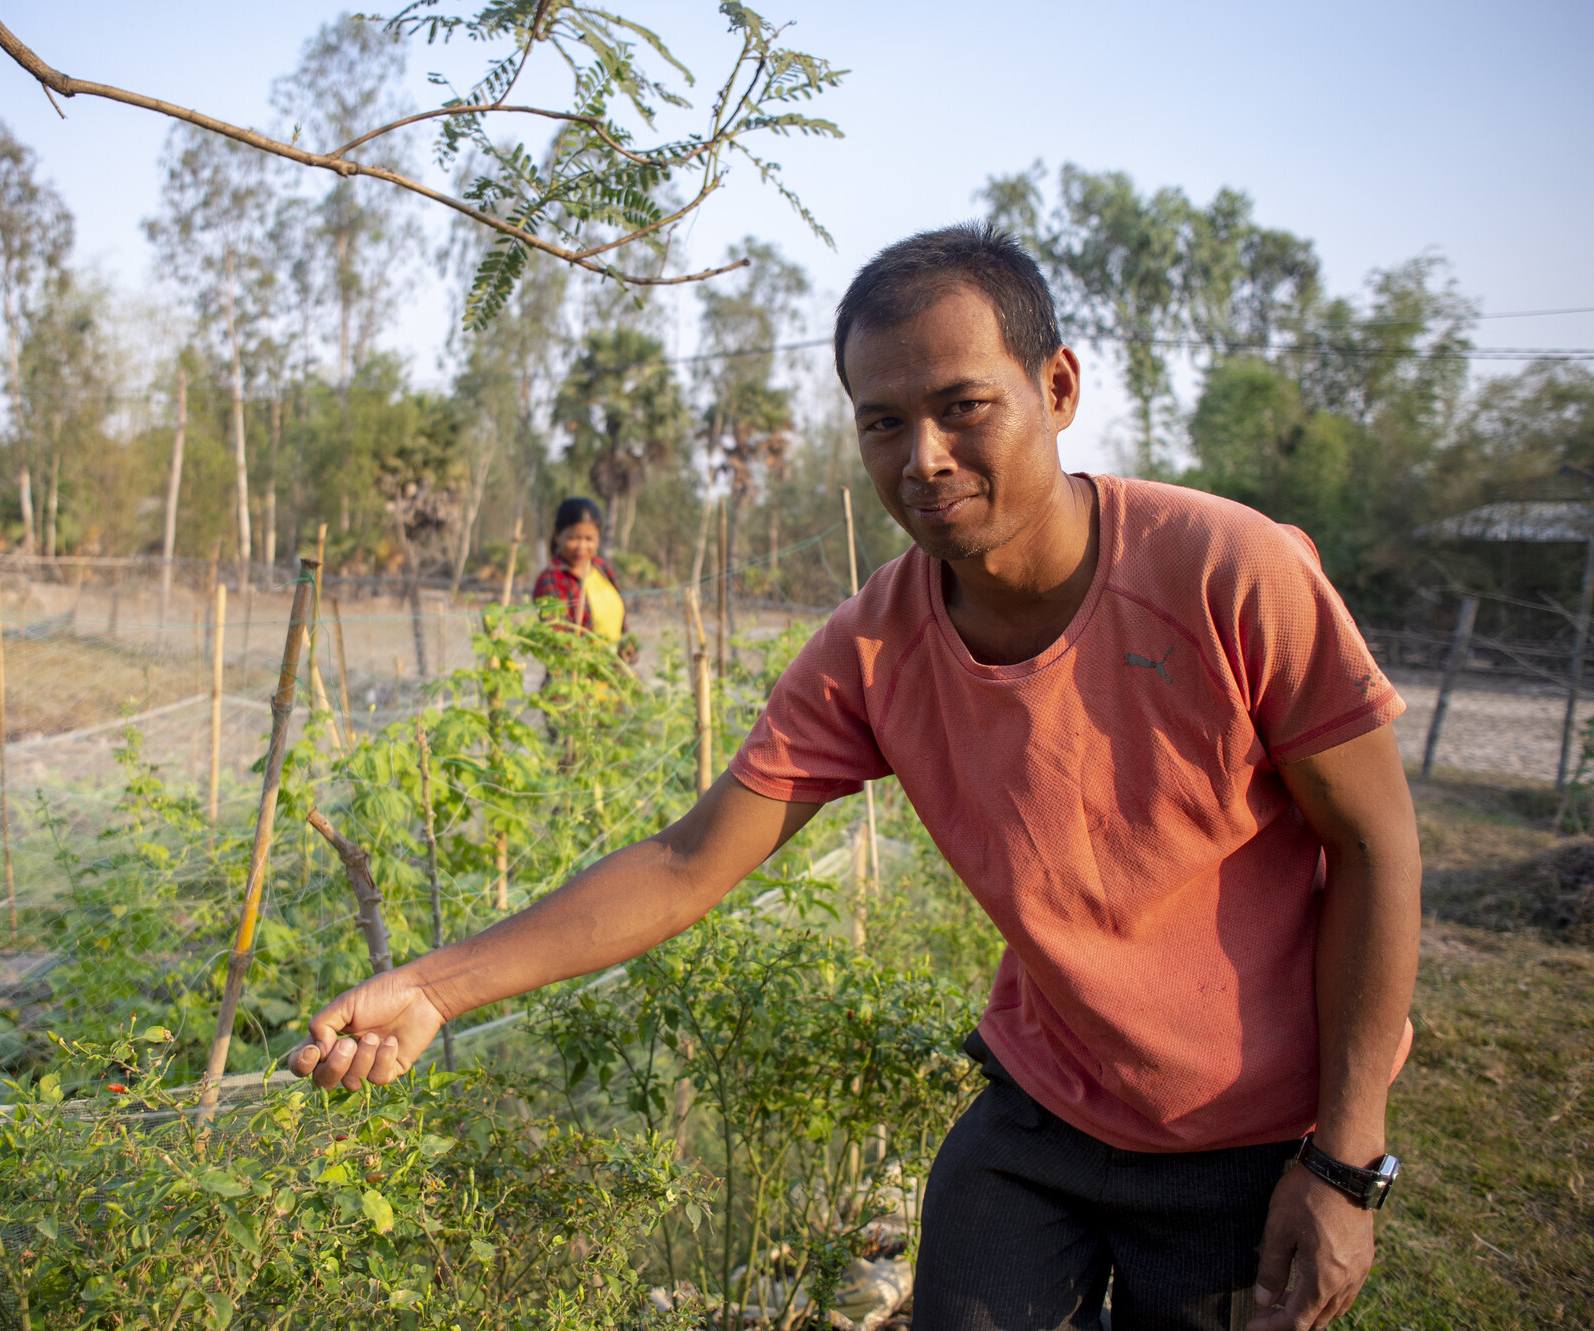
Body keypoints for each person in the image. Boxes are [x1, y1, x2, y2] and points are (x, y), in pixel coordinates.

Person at [289, 224, 1420, 1331]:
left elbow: (1373, 844)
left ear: (1057, 386)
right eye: (882, 422)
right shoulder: (875, 644)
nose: (920, 457)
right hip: (1043, 1110)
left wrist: (1344, 1160)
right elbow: (688, 861)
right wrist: (436, 988)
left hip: (1250, 1132)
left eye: (961, 407)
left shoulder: (1229, 571)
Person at [531, 497, 636, 661]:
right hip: (575, 681)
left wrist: (626, 647)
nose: (582, 546)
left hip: (613, 679)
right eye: (573, 538)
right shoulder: (551, 579)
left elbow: (620, 623)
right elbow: (560, 643)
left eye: (589, 539)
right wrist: (603, 665)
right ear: (557, 535)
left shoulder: (602, 568)